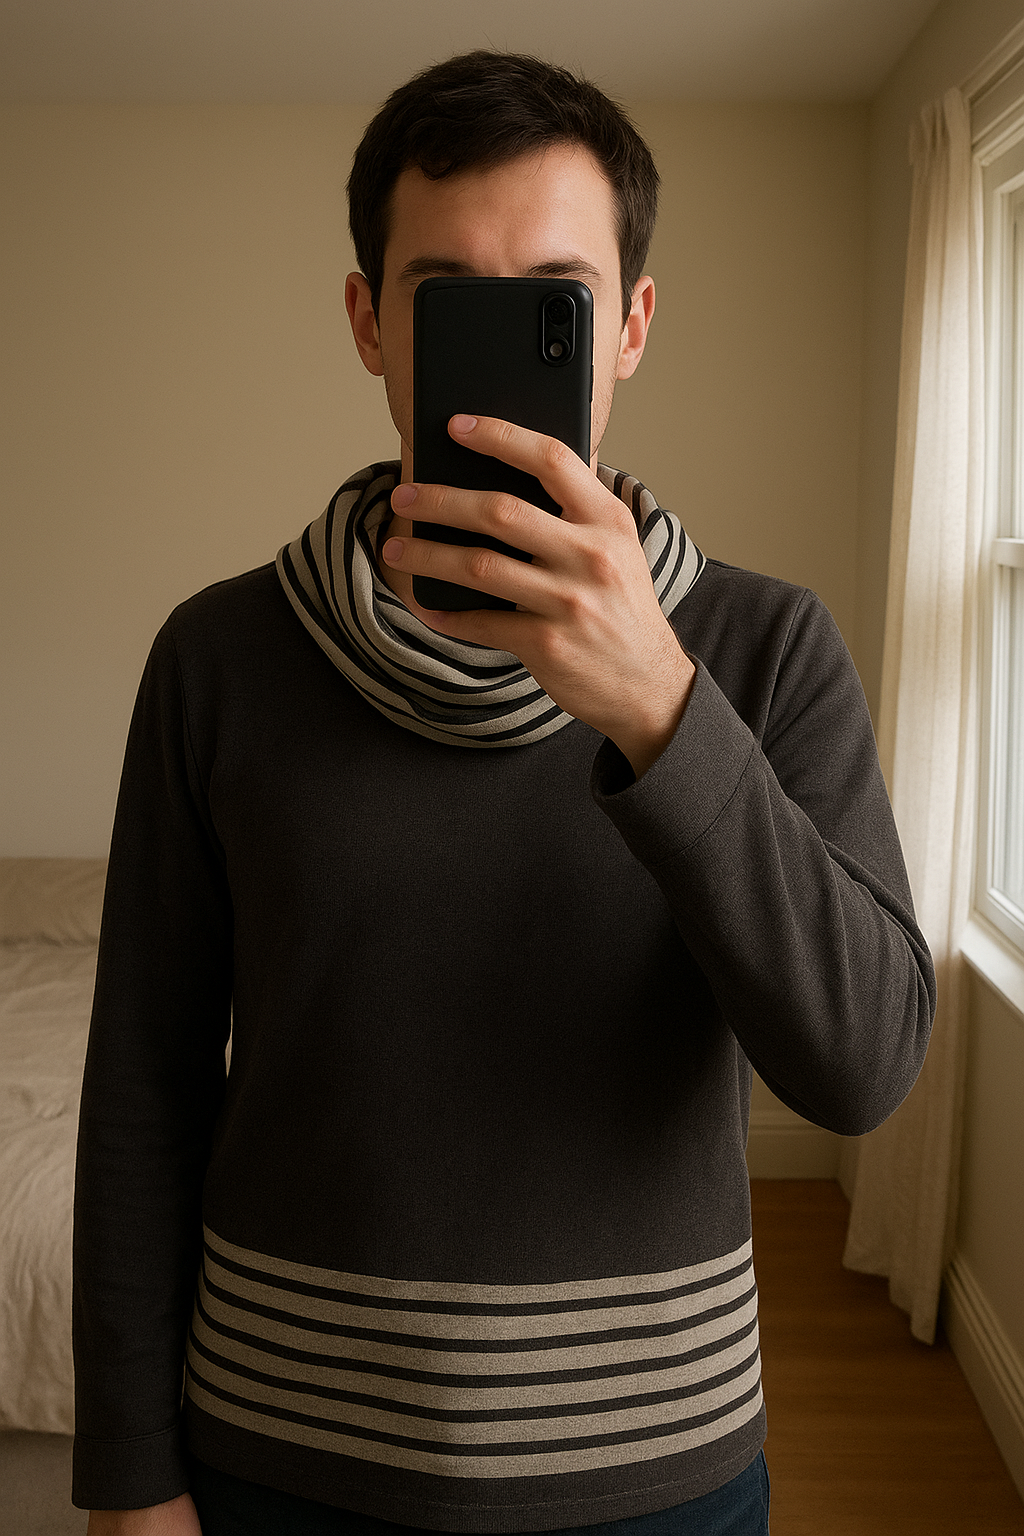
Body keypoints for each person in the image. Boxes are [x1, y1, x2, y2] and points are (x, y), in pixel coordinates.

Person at [72, 50, 935, 1536]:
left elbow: (864, 1066)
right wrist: (130, 1478)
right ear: (369, 323)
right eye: (444, 295)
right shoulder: (219, 659)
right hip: (280, 1453)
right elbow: (143, 1085)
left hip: (655, 1473)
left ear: (630, 329)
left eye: (553, 300)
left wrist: (661, 710)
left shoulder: (764, 648)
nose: (497, 341)